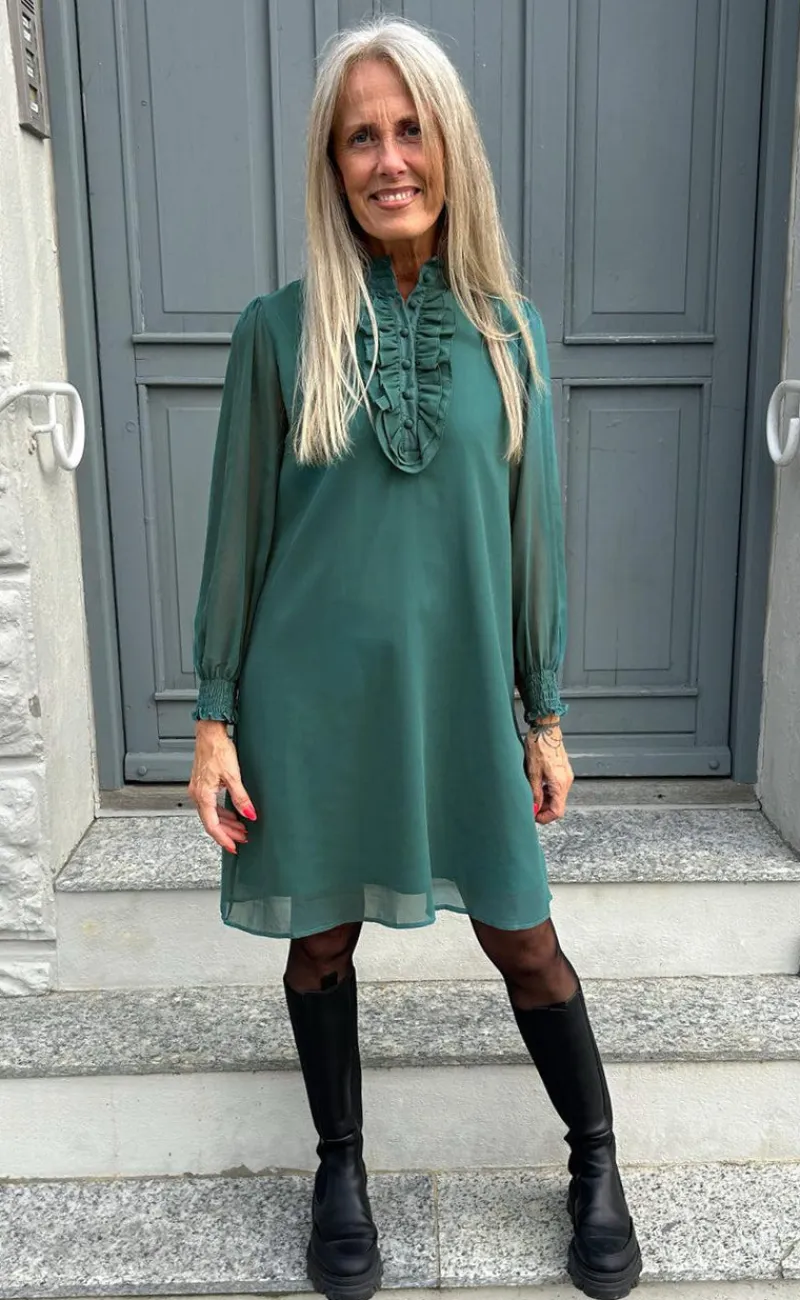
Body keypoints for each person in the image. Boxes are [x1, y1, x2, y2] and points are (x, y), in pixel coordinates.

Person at [189, 16, 642, 1300]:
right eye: (359, 138)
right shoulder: (275, 334)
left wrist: (542, 711)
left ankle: (594, 1160)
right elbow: (236, 537)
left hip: (457, 705)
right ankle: (339, 1171)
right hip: (311, 707)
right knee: (319, 944)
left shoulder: (510, 333)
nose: (387, 159)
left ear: (449, 147)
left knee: (524, 940)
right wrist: (215, 718)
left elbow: (531, 536)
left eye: (408, 130)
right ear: (330, 166)